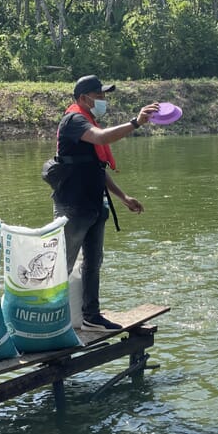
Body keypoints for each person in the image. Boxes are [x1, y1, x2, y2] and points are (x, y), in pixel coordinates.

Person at [53, 75, 158, 332]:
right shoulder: (74, 121)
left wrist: (123, 198)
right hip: (73, 206)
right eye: (99, 96)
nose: (103, 100)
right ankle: (50, 318)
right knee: (62, 264)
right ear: (82, 98)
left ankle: (91, 315)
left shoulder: (88, 120)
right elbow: (102, 138)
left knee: (93, 262)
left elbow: (97, 168)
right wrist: (135, 122)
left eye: (103, 95)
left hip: (93, 204)